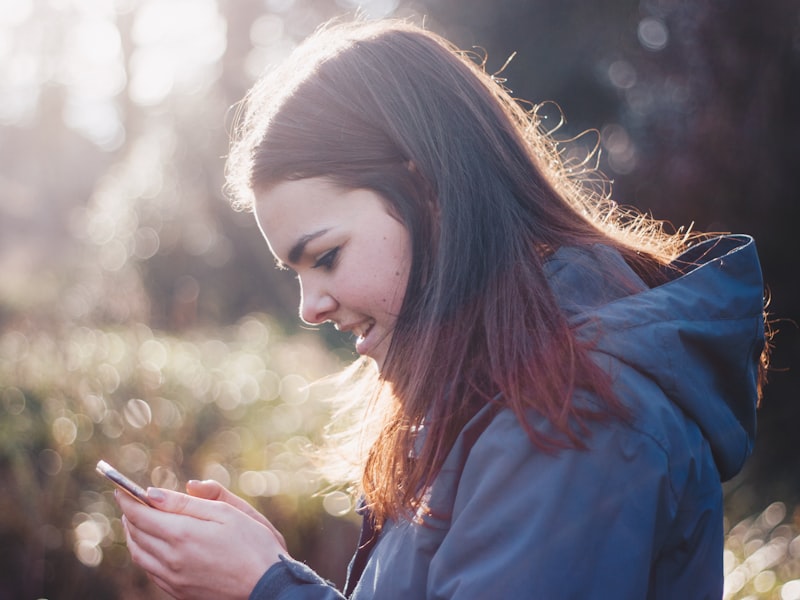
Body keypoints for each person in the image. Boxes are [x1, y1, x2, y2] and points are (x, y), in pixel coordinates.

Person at [115, 18, 769, 599]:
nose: (311, 307)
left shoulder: (574, 416)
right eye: (296, 272)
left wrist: (265, 587)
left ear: (427, 191)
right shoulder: (501, 393)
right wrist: (265, 572)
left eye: (326, 256)